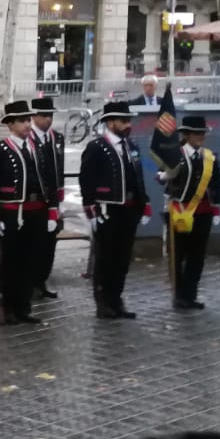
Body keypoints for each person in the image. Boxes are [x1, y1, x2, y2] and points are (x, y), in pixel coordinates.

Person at [80, 100, 148, 320]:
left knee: (122, 258)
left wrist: (143, 203)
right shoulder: (97, 147)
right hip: (107, 210)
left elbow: (138, 177)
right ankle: (103, 302)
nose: (128, 124)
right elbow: (86, 181)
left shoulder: (131, 146)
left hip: (129, 210)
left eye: (128, 120)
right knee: (105, 258)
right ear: (110, 123)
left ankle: (117, 299)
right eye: (123, 120)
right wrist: (91, 211)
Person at [0, 101, 48, 327]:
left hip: (35, 211)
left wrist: (50, 210)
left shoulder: (36, 147)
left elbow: (45, 180)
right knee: (10, 263)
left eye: (28, 120)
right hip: (12, 213)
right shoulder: (0, 149)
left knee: (29, 262)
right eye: (22, 120)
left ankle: (23, 307)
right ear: (10, 124)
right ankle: (6, 307)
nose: (27, 124)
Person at [162, 115, 217, 310]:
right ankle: (178, 295)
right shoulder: (175, 155)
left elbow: (216, 184)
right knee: (178, 255)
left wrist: (216, 209)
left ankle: (191, 294)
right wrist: (163, 177)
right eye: (196, 133)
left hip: (203, 213)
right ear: (186, 135)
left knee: (197, 256)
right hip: (180, 211)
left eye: (202, 133)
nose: (200, 136)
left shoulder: (210, 156)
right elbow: (166, 180)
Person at [29, 96, 67, 300]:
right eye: (44, 115)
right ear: (34, 116)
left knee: (49, 245)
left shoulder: (57, 138)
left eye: (50, 115)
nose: (48, 119)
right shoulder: (29, 139)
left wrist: (59, 194)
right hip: (35, 201)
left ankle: (42, 281)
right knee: (34, 245)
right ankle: (31, 283)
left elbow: (59, 168)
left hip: (53, 200)